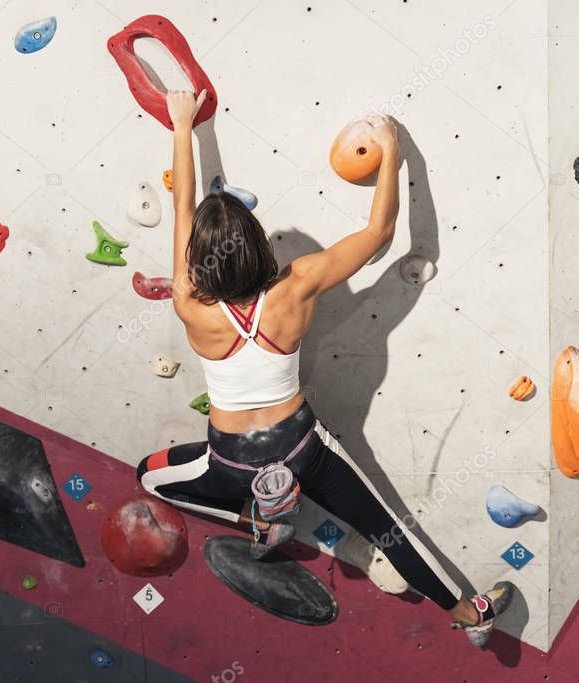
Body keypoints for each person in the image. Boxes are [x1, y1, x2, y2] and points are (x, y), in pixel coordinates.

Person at [136, 89, 512, 647]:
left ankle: (258, 520)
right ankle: (465, 612)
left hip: (233, 464)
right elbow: (380, 237)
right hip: (303, 450)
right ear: (261, 248)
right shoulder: (299, 283)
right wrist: (391, 152)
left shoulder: (189, 301)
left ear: (201, 260)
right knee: (388, 528)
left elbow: (184, 207)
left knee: (150, 474)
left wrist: (184, 124)